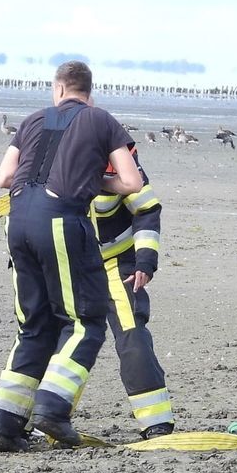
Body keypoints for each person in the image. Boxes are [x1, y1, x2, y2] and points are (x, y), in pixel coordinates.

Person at [0, 61, 143, 452]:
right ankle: (53, 408)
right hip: (60, 222)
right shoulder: (102, 121)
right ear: (90, 92)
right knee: (85, 321)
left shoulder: (33, 119)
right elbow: (131, 181)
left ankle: (4, 422)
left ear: (58, 89)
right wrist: (94, 179)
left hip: (17, 220)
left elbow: (3, 178)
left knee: (34, 325)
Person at [87, 144, 175, 439]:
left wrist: (145, 262)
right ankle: (35, 417)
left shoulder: (116, 153)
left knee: (131, 334)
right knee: (48, 336)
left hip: (116, 264)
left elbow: (147, 210)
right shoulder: (47, 153)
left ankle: (156, 422)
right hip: (67, 264)